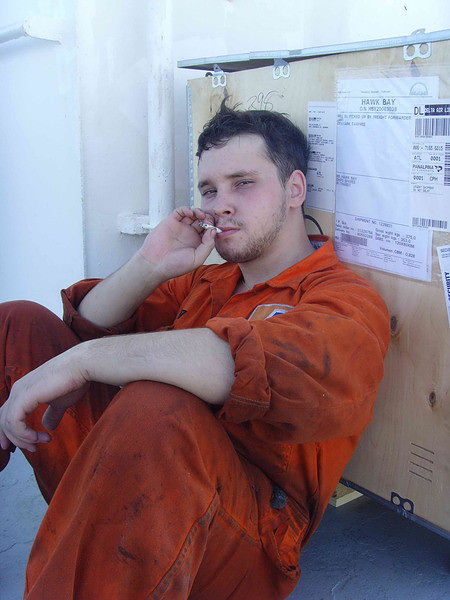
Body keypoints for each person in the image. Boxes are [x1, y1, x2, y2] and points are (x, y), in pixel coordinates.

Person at [0, 101, 390, 600]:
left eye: (243, 183)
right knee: (16, 322)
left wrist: (84, 361)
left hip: (246, 530)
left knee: (157, 406)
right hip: (132, 478)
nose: (220, 204)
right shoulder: (208, 280)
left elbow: (254, 365)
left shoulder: (343, 297)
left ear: (294, 189)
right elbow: (88, 323)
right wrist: (150, 264)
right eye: (209, 189)